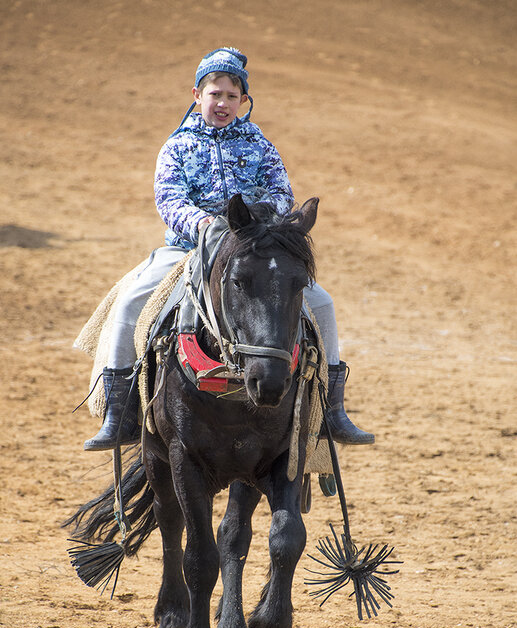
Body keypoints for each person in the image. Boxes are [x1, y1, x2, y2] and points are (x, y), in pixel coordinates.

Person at [83, 47, 374, 451]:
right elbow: (169, 199)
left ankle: (331, 411)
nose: (222, 103)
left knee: (321, 304)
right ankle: (120, 414)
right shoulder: (177, 145)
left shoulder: (260, 144)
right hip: (189, 248)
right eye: (215, 94)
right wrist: (204, 224)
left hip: (253, 248)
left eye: (231, 97)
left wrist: (260, 221)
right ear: (197, 95)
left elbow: (281, 191)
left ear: (243, 101)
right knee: (132, 299)